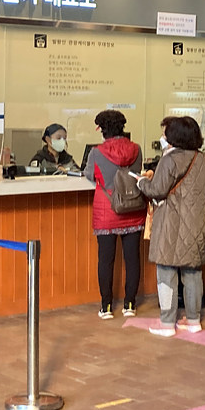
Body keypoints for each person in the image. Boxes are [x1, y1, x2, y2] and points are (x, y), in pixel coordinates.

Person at [138, 116, 205, 337]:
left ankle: (166, 323)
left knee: (166, 273)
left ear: (175, 136)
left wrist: (142, 182)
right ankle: (193, 321)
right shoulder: (204, 160)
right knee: (193, 274)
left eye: (165, 133)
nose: (163, 137)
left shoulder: (170, 160)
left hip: (170, 225)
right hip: (197, 225)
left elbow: (157, 190)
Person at [84, 110, 146, 319]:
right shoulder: (136, 149)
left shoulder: (96, 152)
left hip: (107, 210)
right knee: (132, 258)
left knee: (106, 260)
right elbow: (136, 174)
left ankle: (107, 306)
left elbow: (90, 174)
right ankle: (130, 304)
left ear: (102, 130)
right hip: (133, 207)